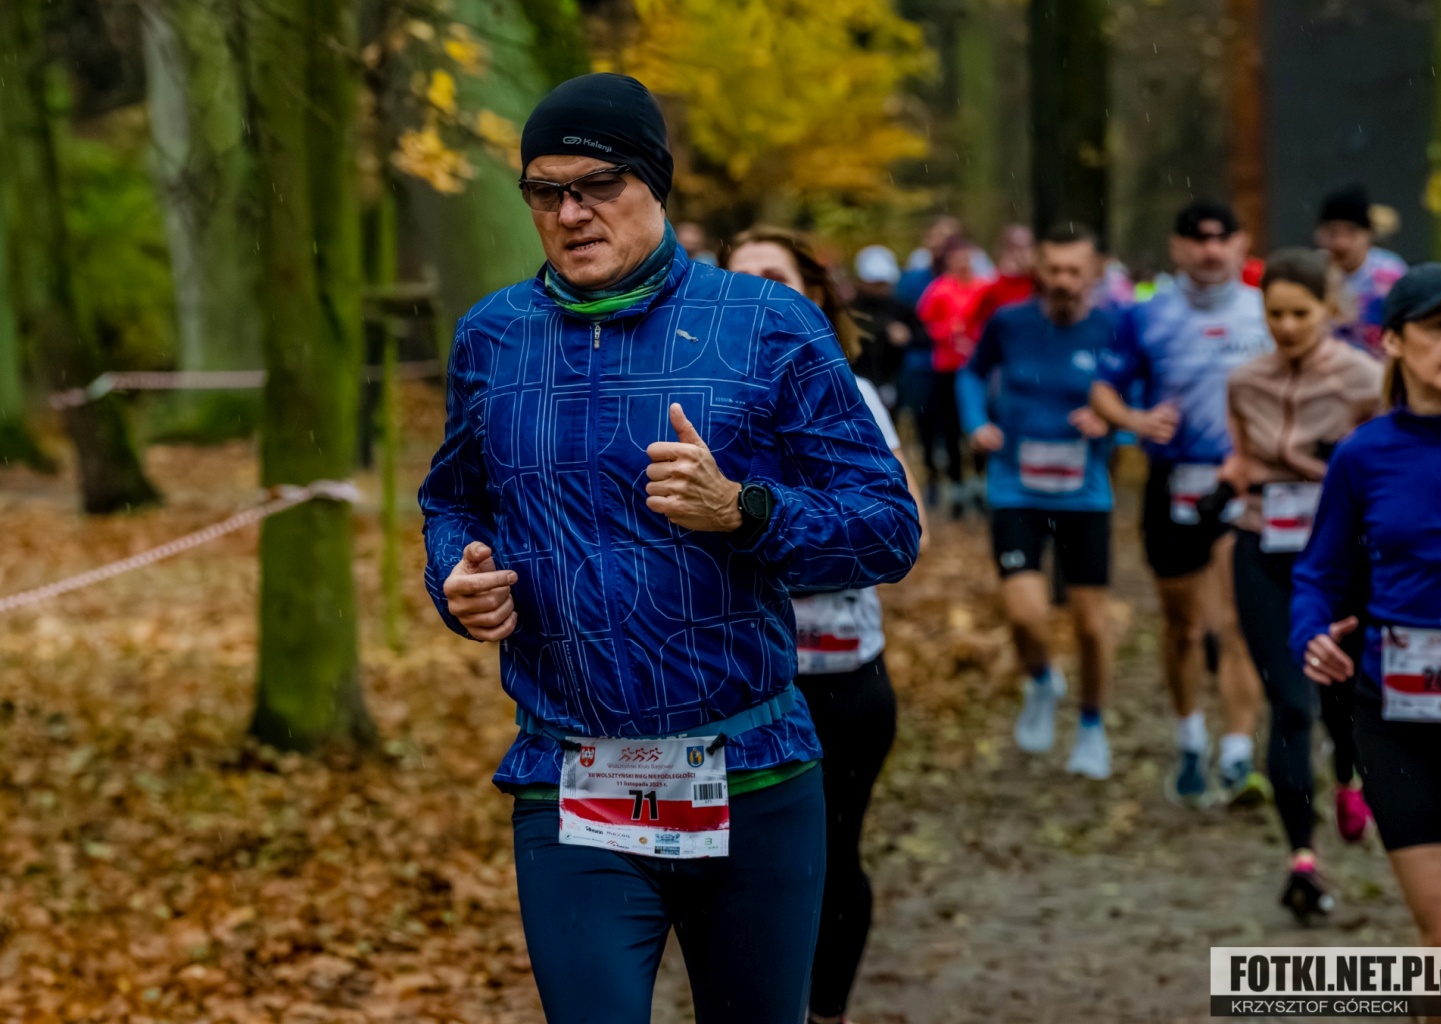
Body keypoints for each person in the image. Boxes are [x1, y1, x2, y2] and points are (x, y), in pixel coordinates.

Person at [418, 74, 921, 1024]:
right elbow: (455, 500)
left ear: (655, 182)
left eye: (597, 185)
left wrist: (744, 510)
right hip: (572, 782)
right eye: (544, 191)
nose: (571, 213)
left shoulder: (769, 324)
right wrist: (457, 575)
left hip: (751, 775)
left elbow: (886, 527)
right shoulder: (493, 336)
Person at [1292, 262, 1441, 962]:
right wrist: (1310, 633)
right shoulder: (1362, 456)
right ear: (1393, 341)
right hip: (1400, 721)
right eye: (1439, 327)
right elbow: (1318, 574)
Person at [724, 225, 928, 1024]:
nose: (757, 295)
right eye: (739, 279)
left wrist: (759, 536)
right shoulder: (696, 398)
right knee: (737, 868)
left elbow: (901, 533)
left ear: (814, 295)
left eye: (775, 277)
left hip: (839, 676)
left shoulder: (851, 397)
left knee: (832, 858)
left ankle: (827, 1014)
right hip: (733, 679)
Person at [1090, 199, 1272, 807]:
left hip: (1245, 484)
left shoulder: (1265, 311)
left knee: (1239, 621)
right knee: (1184, 625)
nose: (1210, 249)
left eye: (1222, 238)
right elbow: (1103, 389)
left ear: (1241, 244)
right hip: (1174, 484)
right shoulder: (1147, 314)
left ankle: (1238, 753)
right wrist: (1135, 420)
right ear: (1177, 248)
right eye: (1197, 239)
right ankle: (1190, 736)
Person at [1224, 248, 1382, 922]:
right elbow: (1237, 457)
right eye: (1275, 314)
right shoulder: (1244, 382)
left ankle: (1348, 772)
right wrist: (1230, 480)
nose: (1286, 327)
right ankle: (1303, 859)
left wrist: (1320, 464)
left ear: (1329, 310)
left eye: (1300, 313)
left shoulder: (1365, 380)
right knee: (1290, 702)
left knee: (1342, 695)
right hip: (1262, 547)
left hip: (1339, 555)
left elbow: (1382, 469)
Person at [959, 223, 1119, 779]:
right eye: (1054, 269)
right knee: (1024, 614)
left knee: (1092, 626)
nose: (1064, 281)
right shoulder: (1009, 322)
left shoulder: (1113, 328)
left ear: (1094, 272)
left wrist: (1113, 423)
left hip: (1085, 493)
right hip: (1015, 487)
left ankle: (1092, 726)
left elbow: (1140, 394)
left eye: (1075, 271)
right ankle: (1042, 680)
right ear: (1038, 271)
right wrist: (976, 422)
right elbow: (971, 374)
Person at [916, 238, 993, 518]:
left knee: (979, 424)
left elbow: (994, 321)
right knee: (950, 428)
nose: (962, 263)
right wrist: (949, 331)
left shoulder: (984, 287)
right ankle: (957, 487)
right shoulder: (939, 289)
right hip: (947, 367)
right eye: (956, 258)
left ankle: (979, 483)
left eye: (966, 257)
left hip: (978, 368)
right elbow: (925, 322)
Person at [1315, 183, 1405, 358]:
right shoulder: (1313, 272)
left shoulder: (1389, 273)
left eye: (1351, 233)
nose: (1341, 243)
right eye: (1332, 233)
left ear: (1368, 235)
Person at [847, 244, 930, 415]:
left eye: (883, 282)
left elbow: (925, 339)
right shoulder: (848, 311)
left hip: (893, 382)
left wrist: (908, 337)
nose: (880, 287)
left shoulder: (902, 308)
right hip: (857, 381)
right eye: (875, 282)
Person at [966, 224, 1036, 338]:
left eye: (1029, 246)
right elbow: (975, 328)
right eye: (1018, 248)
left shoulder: (1041, 284)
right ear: (1006, 250)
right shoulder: (992, 288)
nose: (1025, 253)